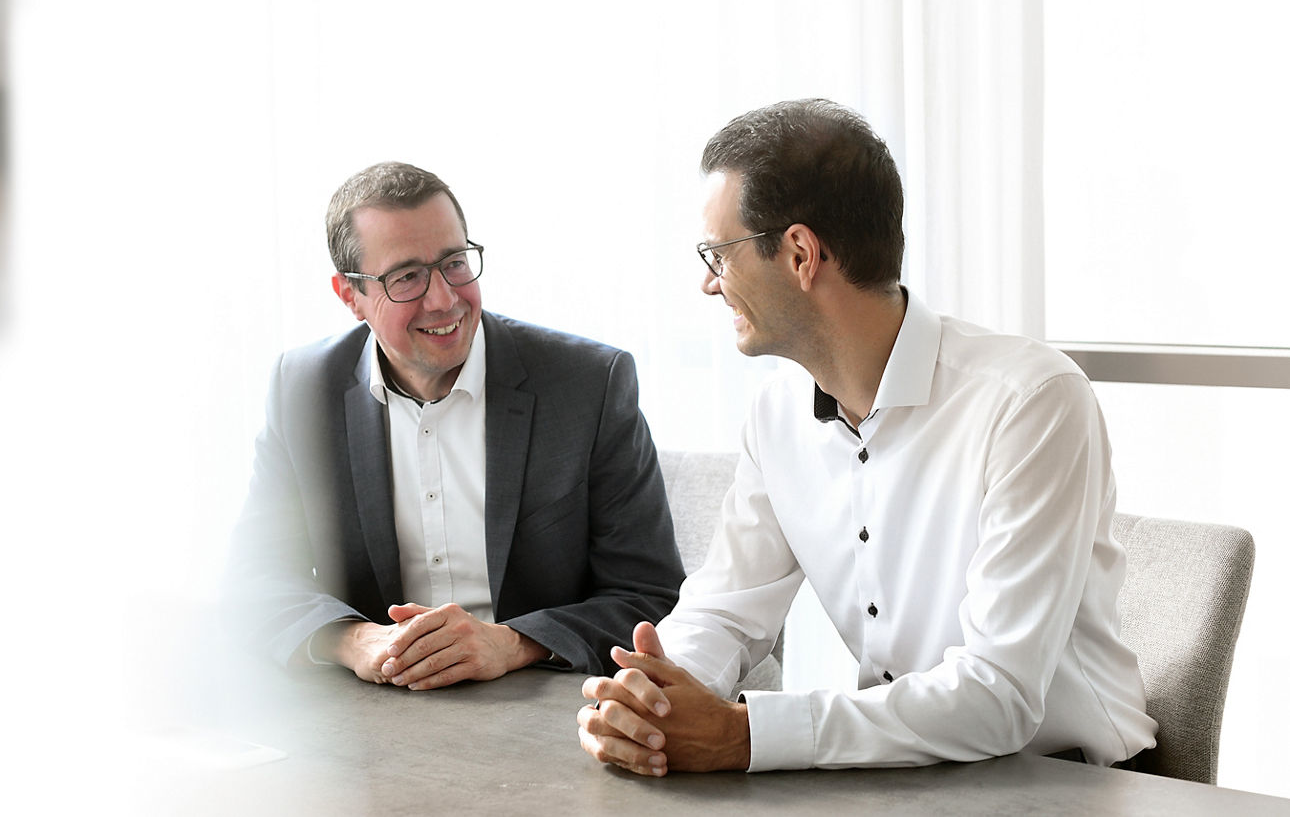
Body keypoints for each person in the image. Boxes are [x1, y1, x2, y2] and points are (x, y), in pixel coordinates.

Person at [576, 100, 1156, 774]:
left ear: (799, 253)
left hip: (1069, 782)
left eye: (719, 255)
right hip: (895, 776)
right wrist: (654, 696)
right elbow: (726, 609)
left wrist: (745, 735)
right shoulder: (776, 415)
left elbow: (998, 697)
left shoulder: (1029, 401)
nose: (708, 284)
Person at [226, 161, 684, 689]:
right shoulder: (302, 389)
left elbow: (652, 594)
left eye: (455, 263)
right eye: (407, 278)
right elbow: (252, 580)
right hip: (374, 712)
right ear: (350, 296)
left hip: (548, 705)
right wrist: (356, 640)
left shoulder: (589, 385)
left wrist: (512, 643)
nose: (443, 298)